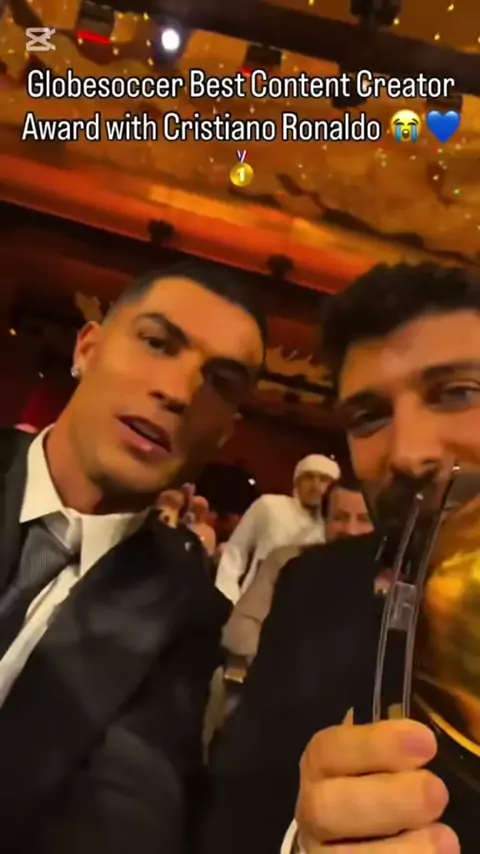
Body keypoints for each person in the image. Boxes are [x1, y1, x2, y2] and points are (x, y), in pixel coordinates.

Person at [203, 261, 479, 854]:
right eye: (369, 416)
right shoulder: (313, 589)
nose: (408, 454)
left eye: (458, 393)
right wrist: (305, 843)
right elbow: (237, 812)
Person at [0, 257, 266, 854]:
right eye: (156, 343)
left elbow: (131, 808)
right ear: (88, 348)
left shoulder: (189, 615)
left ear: (226, 431)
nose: (178, 392)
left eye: (219, 382)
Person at [221, 476, 373, 662]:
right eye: (340, 518)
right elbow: (241, 628)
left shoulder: (394, 574)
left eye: (364, 519)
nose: (351, 530)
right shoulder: (288, 560)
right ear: (324, 520)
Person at [215, 454, 340, 603]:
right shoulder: (270, 506)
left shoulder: (333, 526)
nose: (315, 485)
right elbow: (235, 550)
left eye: (324, 479)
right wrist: (228, 597)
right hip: (254, 603)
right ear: (297, 481)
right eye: (308, 477)